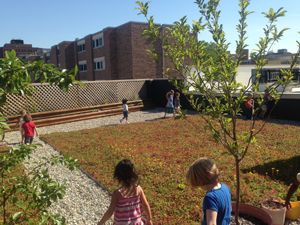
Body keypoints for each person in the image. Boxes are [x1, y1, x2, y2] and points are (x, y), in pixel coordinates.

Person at [97, 159, 152, 225]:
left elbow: (110, 211)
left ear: (118, 176)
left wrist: (100, 223)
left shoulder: (117, 194)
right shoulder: (138, 189)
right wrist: (149, 219)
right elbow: (145, 204)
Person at [187, 157, 231, 225]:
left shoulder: (210, 198)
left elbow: (212, 223)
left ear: (200, 182)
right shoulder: (225, 188)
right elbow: (229, 209)